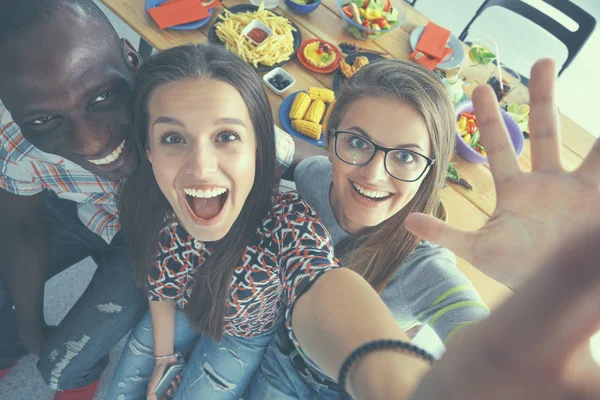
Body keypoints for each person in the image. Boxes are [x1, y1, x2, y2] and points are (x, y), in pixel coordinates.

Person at [0, 0, 308, 397]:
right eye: (44, 120)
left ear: (132, 61)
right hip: (85, 211)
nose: (92, 141)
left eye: (103, 96)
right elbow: (22, 227)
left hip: (153, 240)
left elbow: (284, 153)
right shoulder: (17, 144)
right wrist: (31, 332)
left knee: (63, 365)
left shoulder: (186, 101)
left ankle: (77, 377)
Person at [107, 43, 438, 400]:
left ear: (259, 146)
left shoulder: (288, 221)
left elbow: (319, 282)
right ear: (150, 152)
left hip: (242, 336)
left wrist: (395, 383)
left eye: (226, 136)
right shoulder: (154, 201)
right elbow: (162, 284)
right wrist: (163, 357)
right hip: (181, 311)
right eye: (173, 138)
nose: (201, 168)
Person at [246, 58, 489, 399]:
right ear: (331, 141)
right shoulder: (316, 176)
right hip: (278, 352)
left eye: (405, 157)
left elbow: (484, 348)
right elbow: (269, 145)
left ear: (430, 170)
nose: (373, 175)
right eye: (358, 143)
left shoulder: (423, 267)